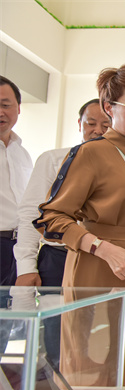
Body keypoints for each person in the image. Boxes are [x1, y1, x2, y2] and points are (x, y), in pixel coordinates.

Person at [34, 63, 125, 390]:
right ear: (109, 107)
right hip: (97, 267)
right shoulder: (90, 154)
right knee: (92, 369)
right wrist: (102, 248)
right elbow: (51, 218)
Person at [13, 99, 111, 368]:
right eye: (91, 123)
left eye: (106, 124)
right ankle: (51, 382)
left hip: (98, 259)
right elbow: (32, 214)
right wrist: (26, 267)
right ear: (79, 124)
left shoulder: (120, 168)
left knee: (87, 336)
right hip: (58, 258)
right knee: (54, 338)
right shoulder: (53, 160)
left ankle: (75, 382)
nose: (98, 130)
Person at [0, 75, 33, 286]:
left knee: (12, 305)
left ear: (18, 108)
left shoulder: (22, 153)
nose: (0, 112)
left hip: (17, 248)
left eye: (5, 105)